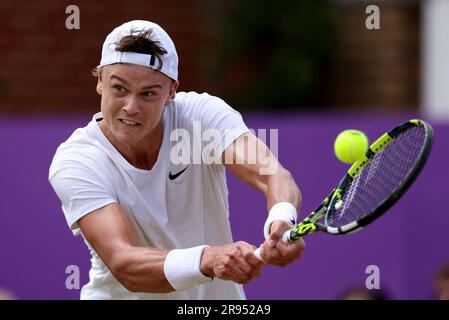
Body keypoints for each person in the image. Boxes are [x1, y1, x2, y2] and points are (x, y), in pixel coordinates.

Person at [48, 20, 305, 300]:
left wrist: (282, 219)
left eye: (148, 93)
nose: (131, 107)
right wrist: (207, 260)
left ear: (171, 92)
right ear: (100, 82)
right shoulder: (78, 160)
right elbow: (124, 262)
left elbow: (272, 175)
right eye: (119, 89)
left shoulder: (199, 117)